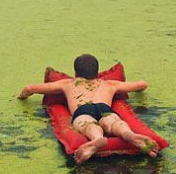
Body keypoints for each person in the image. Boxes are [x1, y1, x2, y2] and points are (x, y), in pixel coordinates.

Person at [16, 54, 158, 165]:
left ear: (76, 72)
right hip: (105, 109)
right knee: (113, 122)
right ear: (97, 72)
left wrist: (20, 97)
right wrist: (141, 88)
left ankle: (97, 139)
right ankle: (127, 134)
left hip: (83, 111)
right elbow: (142, 84)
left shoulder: (68, 84)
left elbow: (30, 88)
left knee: (88, 124)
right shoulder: (109, 84)